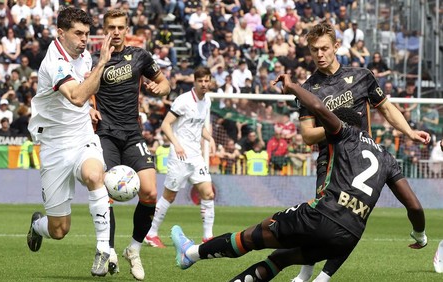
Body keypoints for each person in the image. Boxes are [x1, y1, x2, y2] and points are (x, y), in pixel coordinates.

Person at [170, 74, 427, 282]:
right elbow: (414, 206)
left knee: (252, 237)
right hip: (347, 239)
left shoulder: (344, 134)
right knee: (280, 259)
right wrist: (420, 235)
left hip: (322, 216)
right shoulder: (387, 157)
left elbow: (316, 106)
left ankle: (191, 253)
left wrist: (293, 86)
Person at [293, 22, 431, 282]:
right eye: (314, 50)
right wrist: (339, 126)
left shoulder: (361, 76)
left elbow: (387, 109)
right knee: (321, 220)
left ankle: (420, 234)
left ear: (336, 46)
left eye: (324, 48)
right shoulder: (307, 90)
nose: (319, 54)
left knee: (412, 204)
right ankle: (305, 274)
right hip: (332, 161)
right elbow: (307, 136)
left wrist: (409, 132)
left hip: (368, 156)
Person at [25, 7, 115, 277]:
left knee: (94, 174)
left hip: (82, 136)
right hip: (53, 145)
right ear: (60, 33)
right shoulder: (54, 63)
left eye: (87, 34)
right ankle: (38, 226)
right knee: (59, 230)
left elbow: (86, 90)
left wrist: (90, 107)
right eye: (78, 33)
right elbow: (76, 95)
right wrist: (102, 65)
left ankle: (103, 250)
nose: (84, 39)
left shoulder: (84, 55)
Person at [90, 9, 171, 281]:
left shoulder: (140, 56)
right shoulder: (93, 60)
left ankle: (133, 249)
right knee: (105, 193)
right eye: (110, 27)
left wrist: (162, 89)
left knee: (149, 192)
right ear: (104, 29)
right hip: (106, 134)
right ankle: (108, 250)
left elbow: (164, 82)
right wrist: (90, 109)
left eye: (120, 27)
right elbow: (83, 90)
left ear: (127, 29)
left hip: (133, 134)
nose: (115, 31)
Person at [145, 66, 216, 248]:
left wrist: (210, 139)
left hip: (196, 156)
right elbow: (166, 125)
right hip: (179, 156)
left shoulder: (206, 102)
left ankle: (208, 237)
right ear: (195, 81)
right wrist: (176, 145)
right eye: (200, 81)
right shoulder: (183, 101)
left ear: (210, 81)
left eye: (206, 80)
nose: (204, 84)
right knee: (169, 196)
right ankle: (151, 233)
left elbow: (199, 126)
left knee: (208, 193)